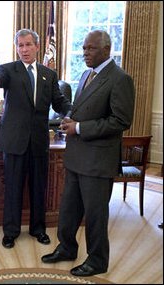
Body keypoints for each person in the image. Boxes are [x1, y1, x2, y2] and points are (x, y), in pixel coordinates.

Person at [41, 30, 135, 277]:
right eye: (83, 48)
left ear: (106, 49)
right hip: (76, 157)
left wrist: (79, 127)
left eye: (90, 48)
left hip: (98, 161)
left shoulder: (119, 78)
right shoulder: (86, 75)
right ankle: (67, 248)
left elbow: (121, 121)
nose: (84, 53)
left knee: (95, 215)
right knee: (68, 209)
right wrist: (71, 119)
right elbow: (84, 109)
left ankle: (97, 261)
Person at [0, 29, 72, 249]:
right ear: (16, 48)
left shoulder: (48, 74)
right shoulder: (8, 70)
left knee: (38, 188)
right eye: (20, 45)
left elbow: (59, 101)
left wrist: (72, 113)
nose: (24, 49)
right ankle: (11, 232)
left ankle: (38, 229)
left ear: (37, 46)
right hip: (14, 141)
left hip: (38, 142)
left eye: (28, 45)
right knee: (13, 188)